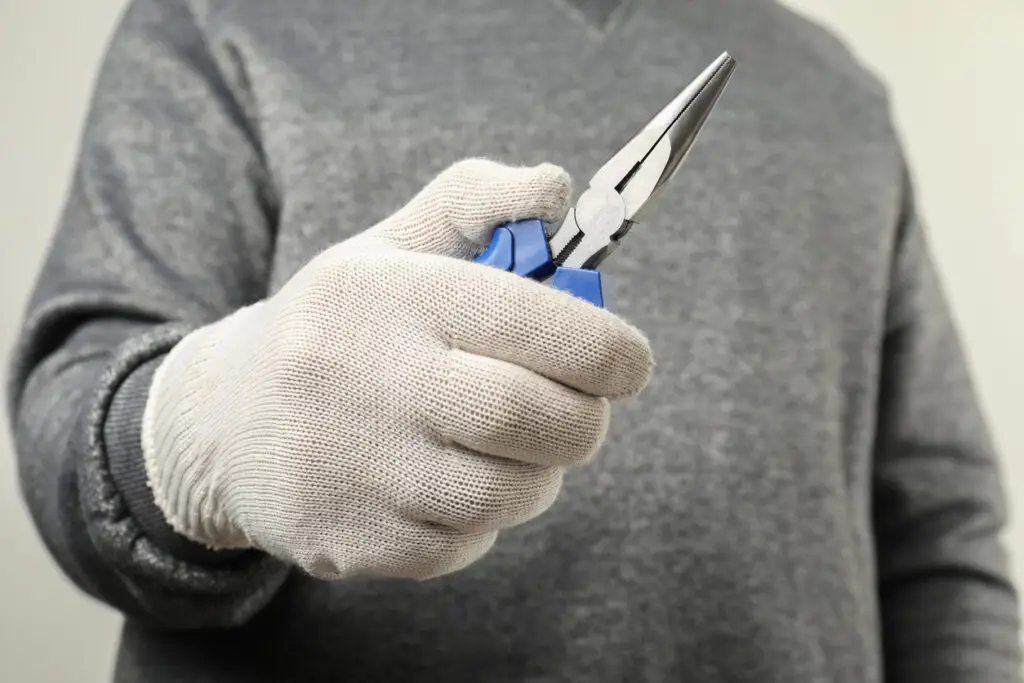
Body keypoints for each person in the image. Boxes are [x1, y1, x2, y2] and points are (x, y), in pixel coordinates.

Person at [7, 0, 1021, 681]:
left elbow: (939, 528)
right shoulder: (219, 18)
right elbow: (69, 419)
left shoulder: (836, 88)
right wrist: (205, 436)